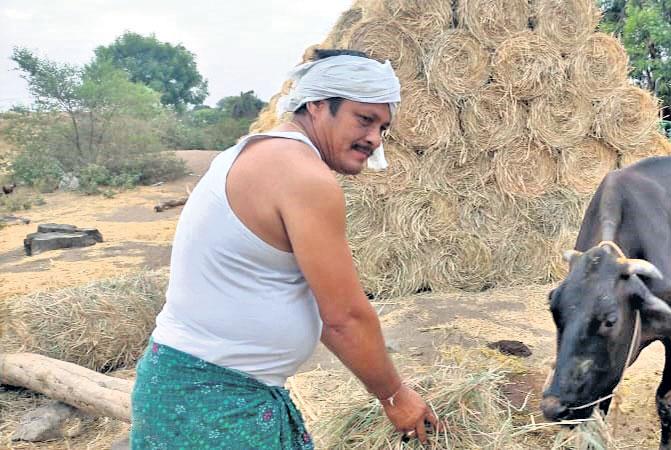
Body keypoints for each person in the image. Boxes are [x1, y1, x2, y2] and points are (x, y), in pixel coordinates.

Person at [130, 49, 440, 449]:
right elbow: (344, 317)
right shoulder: (302, 175)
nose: (374, 139)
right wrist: (394, 396)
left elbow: (319, 306)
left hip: (200, 388)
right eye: (364, 119)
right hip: (214, 400)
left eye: (383, 127)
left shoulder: (258, 153)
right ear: (316, 104)